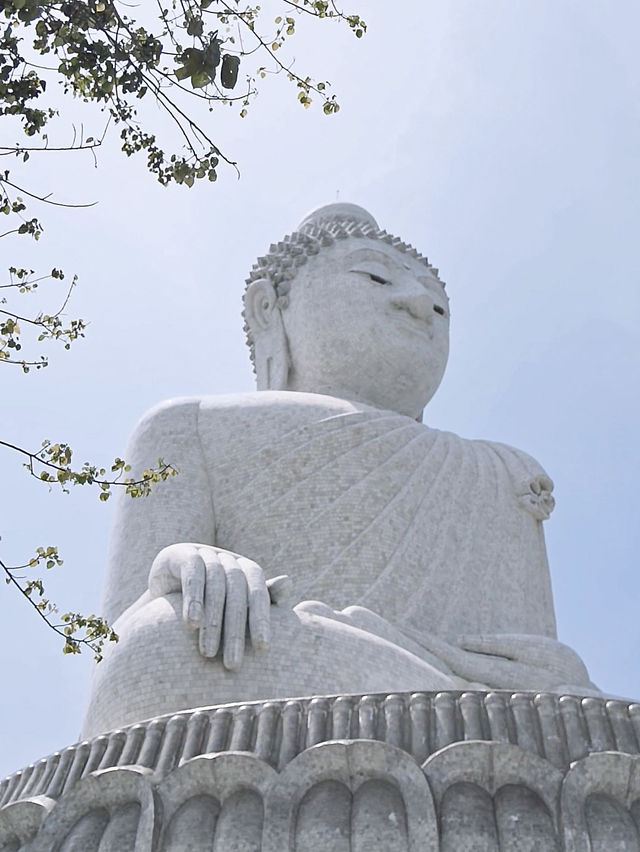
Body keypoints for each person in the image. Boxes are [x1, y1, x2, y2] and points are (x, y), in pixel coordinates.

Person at [83, 203, 596, 737]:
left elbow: (535, 666)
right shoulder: (185, 425)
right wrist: (182, 564)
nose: (420, 304)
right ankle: (457, 727)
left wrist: (558, 676)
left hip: (474, 700)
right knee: (158, 646)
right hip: (279, 661)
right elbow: (115, 649)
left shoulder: (502, 470)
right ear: (269, 309)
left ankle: (451, 722)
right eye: (374, 276)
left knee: (576, 715)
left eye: (441, 308)